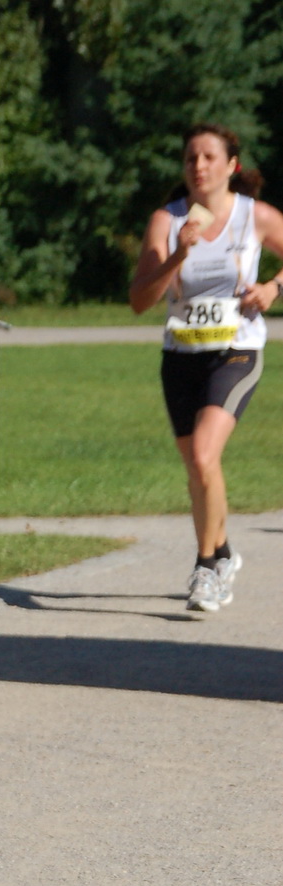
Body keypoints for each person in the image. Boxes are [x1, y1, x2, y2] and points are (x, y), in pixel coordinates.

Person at [130, 124, 283, 613]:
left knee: (202, 455)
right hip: (180, 357)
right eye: (191, 158)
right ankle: (223, 551)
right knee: (199, 470)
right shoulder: (167, 220)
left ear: (231, 166)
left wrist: (274, 288)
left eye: (210, 157)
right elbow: (139, 301)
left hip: (236, 351)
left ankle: (207, 565)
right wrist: (178, 252)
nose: (199, 166)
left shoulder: (253, 216)